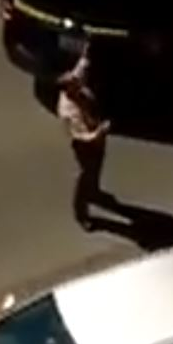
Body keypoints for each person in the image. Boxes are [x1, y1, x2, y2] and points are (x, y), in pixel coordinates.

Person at [55, 48, 111, 229]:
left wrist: (88, 48)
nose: (78, 82)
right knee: (85, 175)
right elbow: (80, 135)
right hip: (84, 145)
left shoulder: (77, 85)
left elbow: (82, 66)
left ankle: (94, 192)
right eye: (74, 83)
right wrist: (99, 133)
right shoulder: (68, 110)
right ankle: (82, 213)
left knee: (97, 169)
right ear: (68, 90)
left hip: (96, 134)